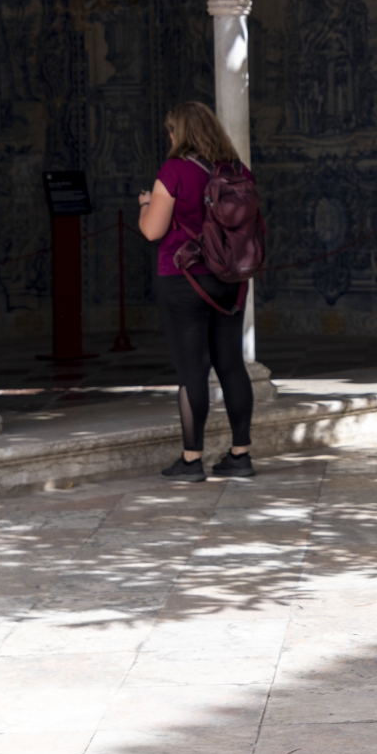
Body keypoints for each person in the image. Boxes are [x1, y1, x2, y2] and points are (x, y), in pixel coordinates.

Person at [138, 101, 256, 482]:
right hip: (231, 280)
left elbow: (153, 230)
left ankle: (192, 460)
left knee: (192, 371)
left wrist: (144, 206)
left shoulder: (175, 170)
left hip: (184, 277)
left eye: (171, 131)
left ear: (179, 133)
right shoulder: (238, 171)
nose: (169, 137)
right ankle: (240, 454)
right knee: (231, 365)